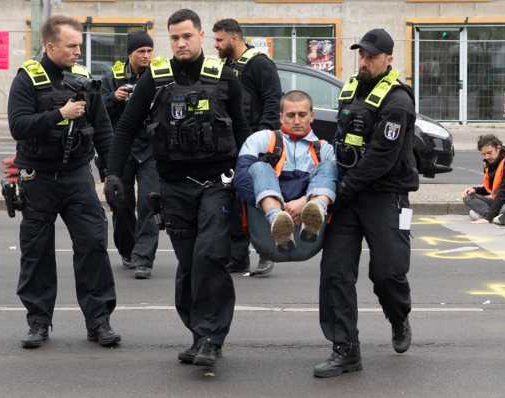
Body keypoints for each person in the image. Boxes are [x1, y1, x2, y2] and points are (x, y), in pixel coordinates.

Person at [104, 9, 249, 368]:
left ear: (201, 36)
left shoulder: (226, 77)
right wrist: (112, 175)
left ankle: (213, 337)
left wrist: (251, 183)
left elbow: (246, 134)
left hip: (218, 184)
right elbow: (125, 129)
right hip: (173, 187)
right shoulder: (155, 79)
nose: (181, 43)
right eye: (174, 38)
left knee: (209, 257)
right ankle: (199, 333)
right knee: (187, 265)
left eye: (187, 36)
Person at [7, 15, 120, 349]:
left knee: (93, 246)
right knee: (37, 252)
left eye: (79, 46)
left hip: (76, 177)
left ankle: (99, 321)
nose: (77, 51)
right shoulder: (27, 79)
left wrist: (111, 173)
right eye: (71, 46)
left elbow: (102, 129)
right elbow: (18, 125)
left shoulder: (84, 80)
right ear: (50, 45)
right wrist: (60, 114)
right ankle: (38, 322)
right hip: (37, 177)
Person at [315, 28, 419, 378]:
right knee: (335, 273)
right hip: (348, 196)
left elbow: (380, 159)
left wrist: (341, 192)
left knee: (388, 273)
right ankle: (345, 349)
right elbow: (340, 140)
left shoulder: (398, 101)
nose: (364, 61)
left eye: (372, 56)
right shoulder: (350, 90)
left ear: (388, 58)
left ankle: (398, 316)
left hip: (384, 195)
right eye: (361, 55)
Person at [213, 18, 282, 276]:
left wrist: (262, 141)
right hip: (229, 143)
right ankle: (238, 257)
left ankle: (267, 252)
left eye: (220, 40)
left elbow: (273, 102)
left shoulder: (260, 64)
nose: (216, 45)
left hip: (254, 145)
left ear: (234, 38)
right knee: (233, 202)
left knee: (256, 199)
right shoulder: (225, 66)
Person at [234, 90, 336, 250]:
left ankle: (315, 211)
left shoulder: (324, 149)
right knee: (259, 167)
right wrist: (282, 208)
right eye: (291, 115)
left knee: (330, 167)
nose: (296, 121)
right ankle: (277, 219)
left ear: (312, 116)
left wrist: (304, 203)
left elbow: (338, 183)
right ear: (281, 117)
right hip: (268, 217)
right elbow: (241, 178)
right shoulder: (261, 139)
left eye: (302, 115)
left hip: (307, 217)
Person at [100, 31, 160, 279]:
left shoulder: (159, 76)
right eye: (140, 52)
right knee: (121, 203)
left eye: (149, 51)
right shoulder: (112, 78)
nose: (146, 56)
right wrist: (114, 98)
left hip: (151, 149)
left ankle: (144, 257)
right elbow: (97, 109)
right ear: (130, 54)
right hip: (121, 148)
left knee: (150, 200)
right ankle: (128, 250)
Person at [462, 134, 505, 225]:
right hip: (499, 203)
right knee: (468, 197)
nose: (486, 157)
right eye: (483, 154)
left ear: (498, 148)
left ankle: (488, 215)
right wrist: (474, 189)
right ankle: (501, 218)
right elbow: (491, 189)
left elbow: (503, 193)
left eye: (489, 153)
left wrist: (488, 218)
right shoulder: (489, 164)